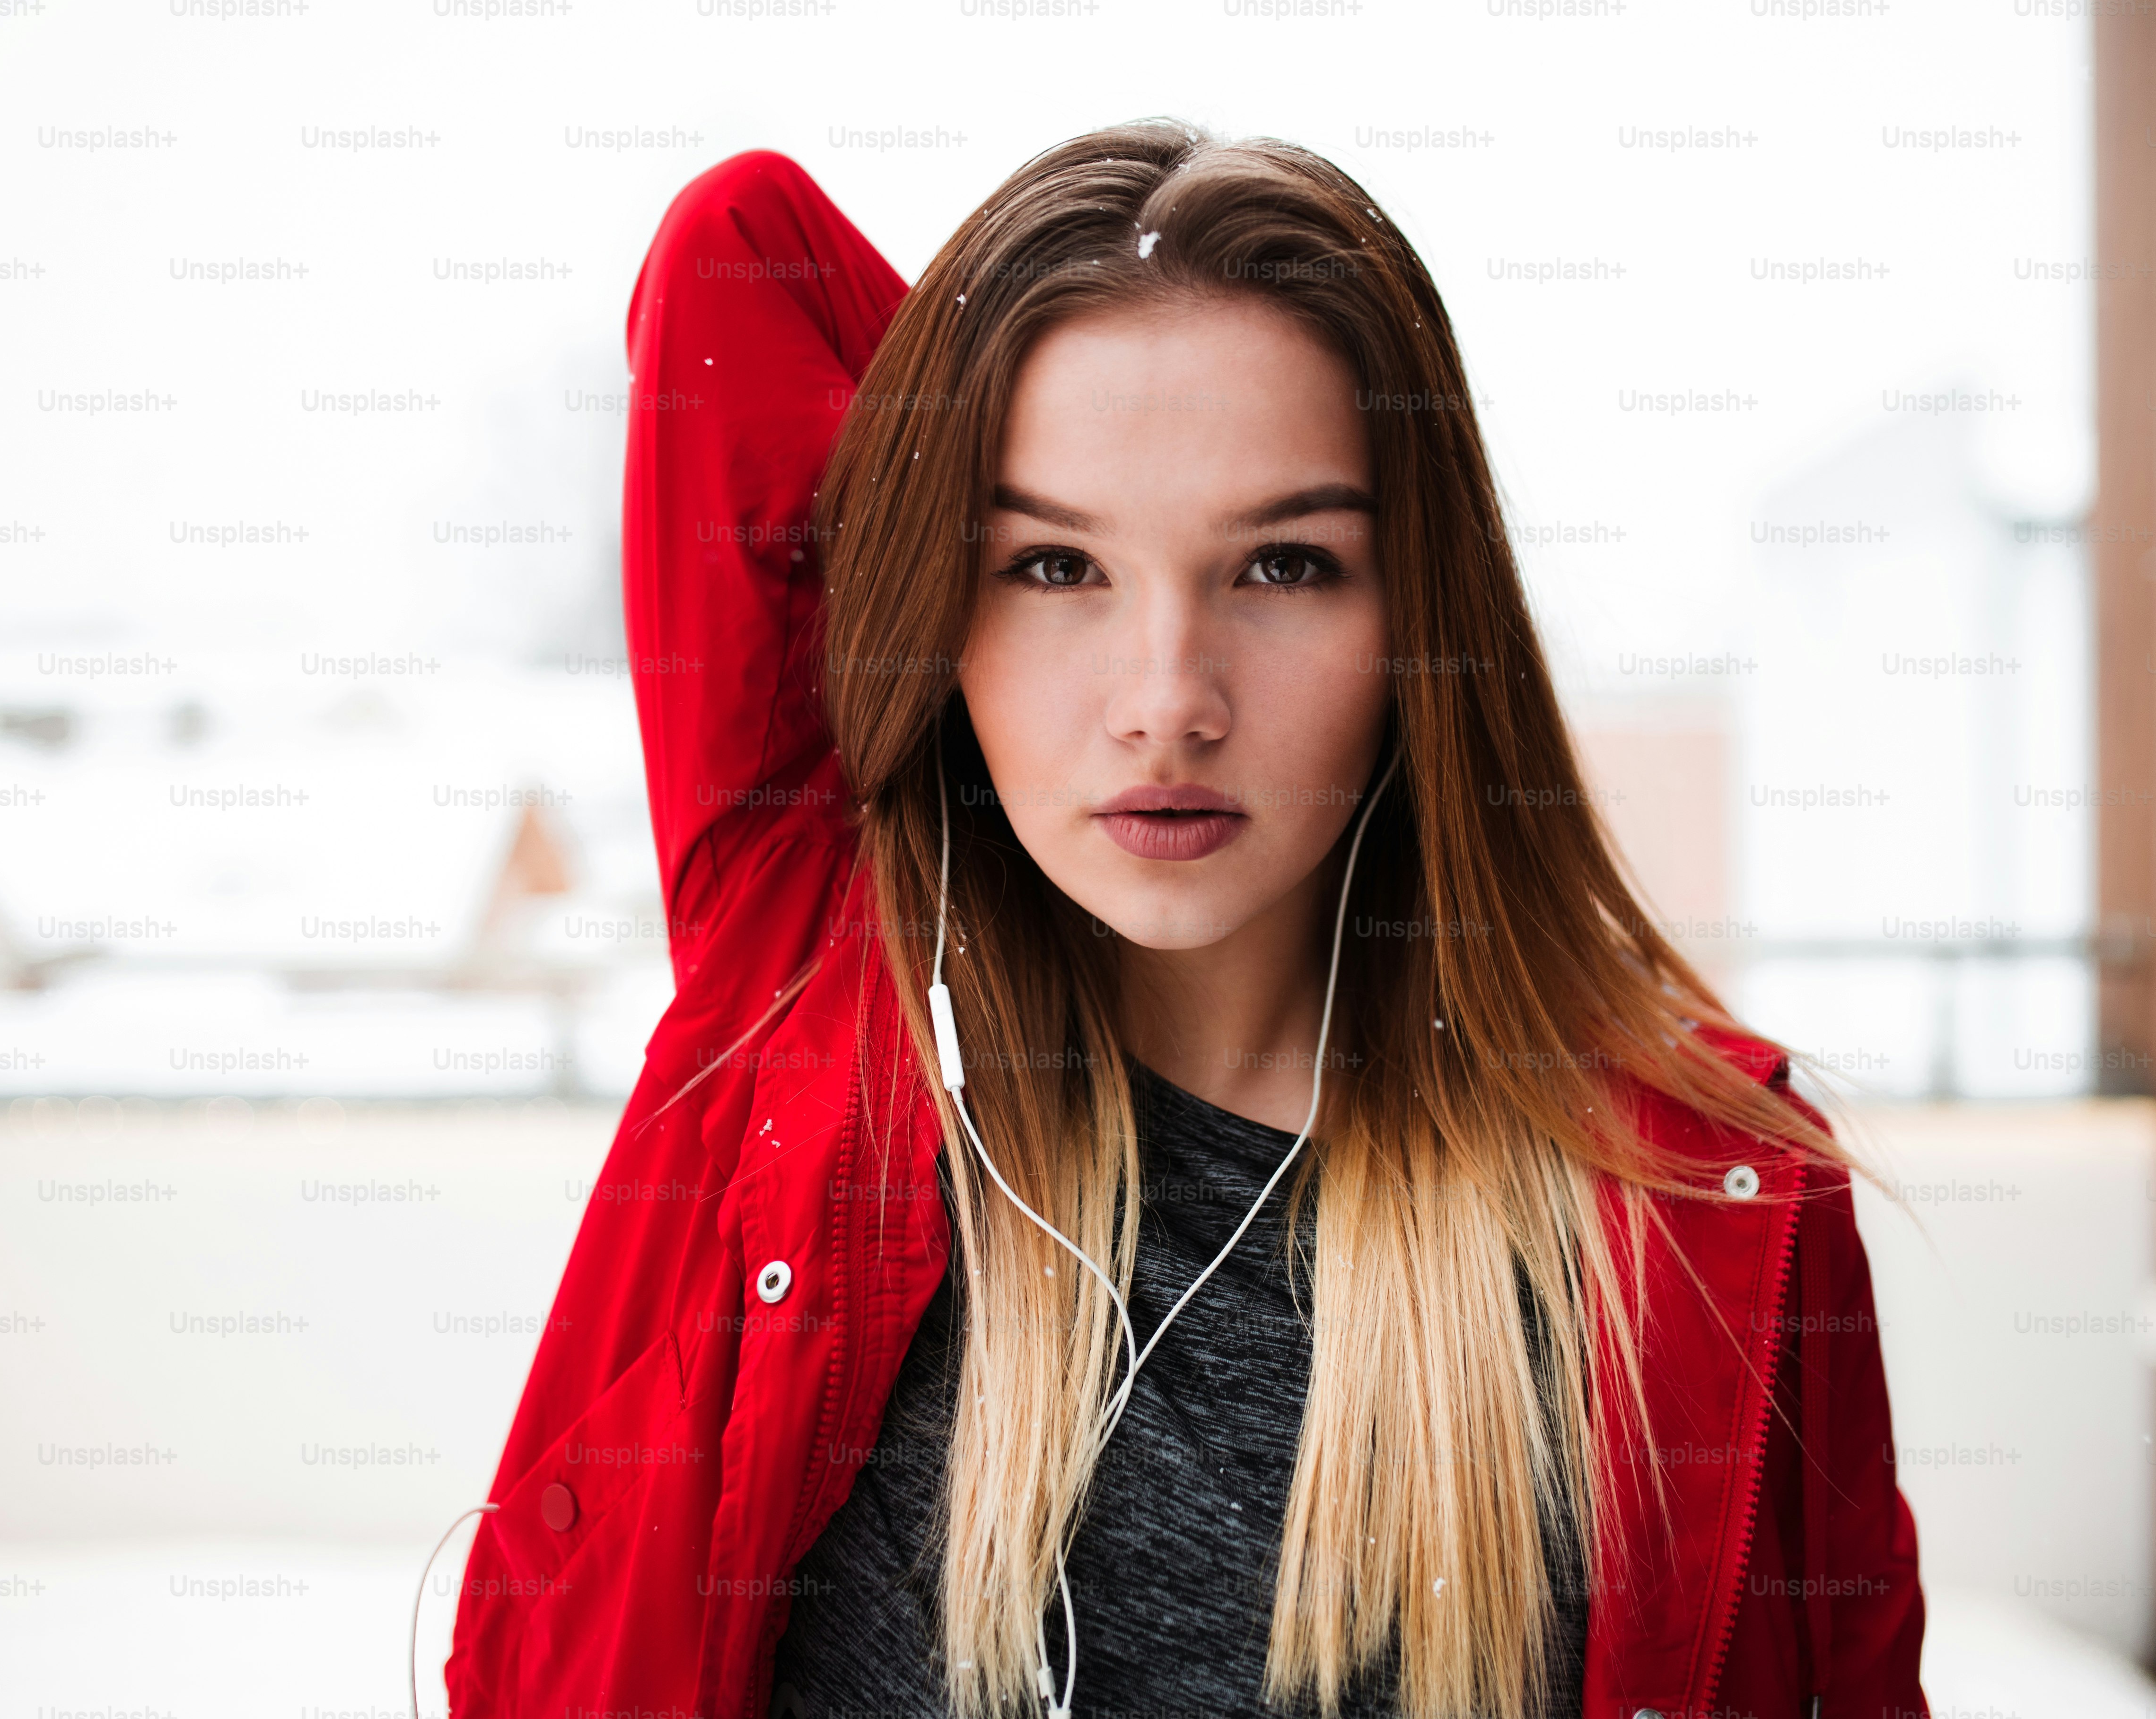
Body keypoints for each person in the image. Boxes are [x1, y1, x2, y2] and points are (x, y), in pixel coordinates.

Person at [444, 121, 1928, 1719]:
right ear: (935, 604)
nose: (1167, 703)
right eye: (1054, 566)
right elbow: (734, 252)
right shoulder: (808, 980)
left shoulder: (1706, 1218)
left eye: (1284, 565)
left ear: (1424, 618)